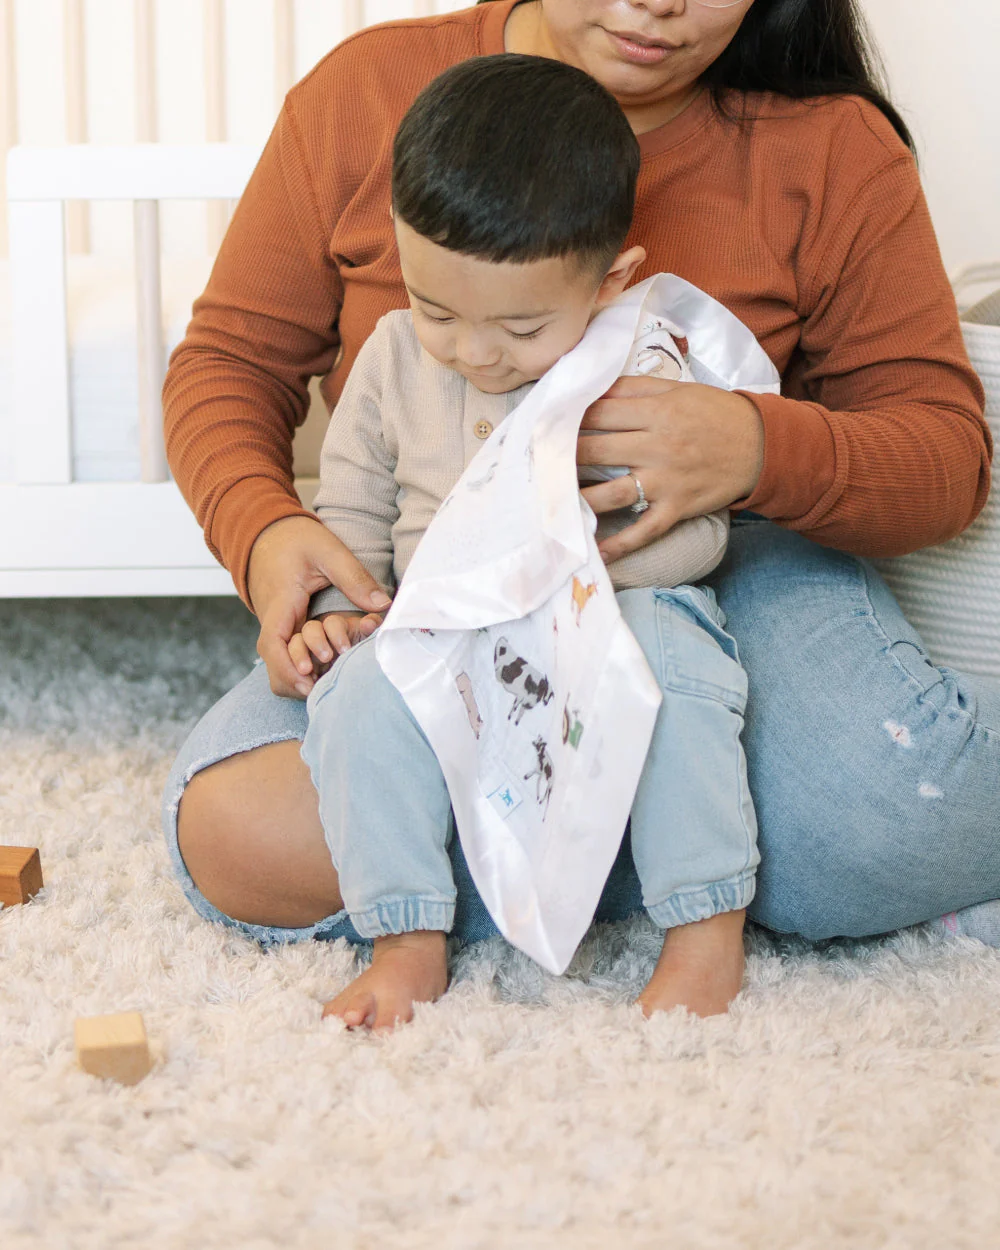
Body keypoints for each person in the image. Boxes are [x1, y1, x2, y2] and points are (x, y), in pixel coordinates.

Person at [162, 0, 1000, 992]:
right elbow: (226, 361)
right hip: (441, 590)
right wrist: (265, 529)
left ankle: (585, 836)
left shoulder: (829, 147)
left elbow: (944, 459)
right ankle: (681, 837)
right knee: (235, 831)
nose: (658, 3)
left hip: (720, 571)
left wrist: (751, 447)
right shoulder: (367, 94)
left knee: (892, 809)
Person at [294, 53, 758, 1027]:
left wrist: (586, 562)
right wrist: (342, 610)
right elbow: (352, 503)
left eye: (519, 325)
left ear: (610, 280)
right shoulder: (388, 357)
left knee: (679, 672)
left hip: (611, 604)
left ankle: (704, 924)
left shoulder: (638, 368)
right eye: (437, 310)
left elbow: (702, 536)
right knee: (356, 701)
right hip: (444, 618)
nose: (473, 351)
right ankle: (407, 933)